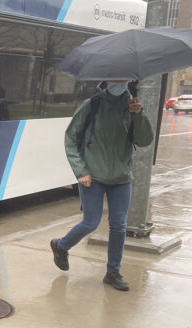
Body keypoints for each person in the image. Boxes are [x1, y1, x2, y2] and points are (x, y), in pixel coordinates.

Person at [50, 81, 153, 291]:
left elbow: (144, 141)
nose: (119, 84)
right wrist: (81, 171)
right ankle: (61, 245)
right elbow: (71, 138)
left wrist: (138, 114)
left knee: (119, 226)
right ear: (106, 81)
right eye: (115, 80)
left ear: (129, 82)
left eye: (123, 80)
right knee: (91, 222)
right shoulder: (91, 104)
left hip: (121, 177)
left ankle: (113, 272)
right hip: (92, 176)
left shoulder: (132, 106)